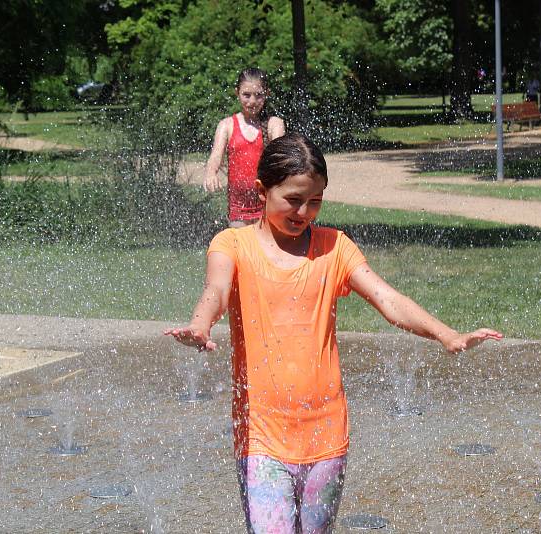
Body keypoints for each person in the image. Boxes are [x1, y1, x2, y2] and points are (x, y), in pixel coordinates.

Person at [165, 132, 503, 534]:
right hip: (261, 437)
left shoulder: (335, 247)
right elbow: (216, 290)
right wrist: (200, 324)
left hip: (326, 435)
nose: (304, 211)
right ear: (261, 191)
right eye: (293, 199)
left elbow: (386, 298)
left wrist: (447, 334)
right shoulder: (233, 244)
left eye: (315, 201)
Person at [204, 68, 286, 228]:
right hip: (238, 208)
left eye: (258, 95)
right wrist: (210, 173)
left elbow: (280, 158)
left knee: (264, 252)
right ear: (237, 93)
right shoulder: (226, 125)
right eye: (246, 95)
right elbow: (215, 156)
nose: (252, 101)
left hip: (268, 205)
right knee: (240, 250)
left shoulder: (274, 124)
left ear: (266, 93)